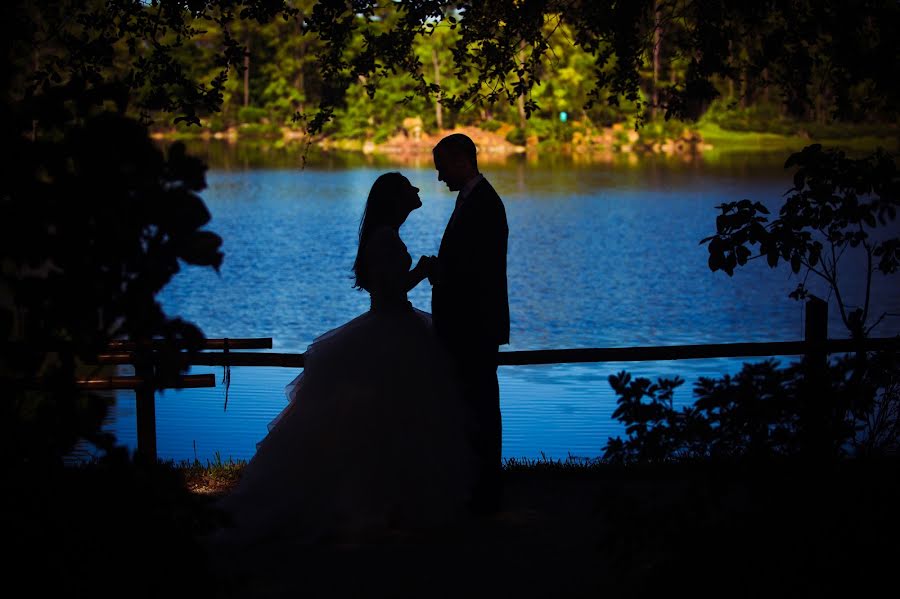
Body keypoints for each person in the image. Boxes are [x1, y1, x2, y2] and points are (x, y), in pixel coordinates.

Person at [214, 172, 475, 545]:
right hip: (392, 329)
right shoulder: (384, 237)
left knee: (394, 419)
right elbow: (388, 291)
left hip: (396, 325)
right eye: (408, 187)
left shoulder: (386, 235)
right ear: (393, 199)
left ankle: (390, 499)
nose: (417, 190)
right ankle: (370, 503)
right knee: (386, 418)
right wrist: (423, 270)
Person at [427, 133, 510, 515]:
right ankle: (477, 483)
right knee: (473, 404)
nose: (439, 176)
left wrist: (438, 274)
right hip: (468, 323)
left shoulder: (485, 204)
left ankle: (485, 488)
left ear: (462, 160)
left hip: (473, 325)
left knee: (480, 406)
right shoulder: (474, 200)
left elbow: (475, 269)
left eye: (441, 166)